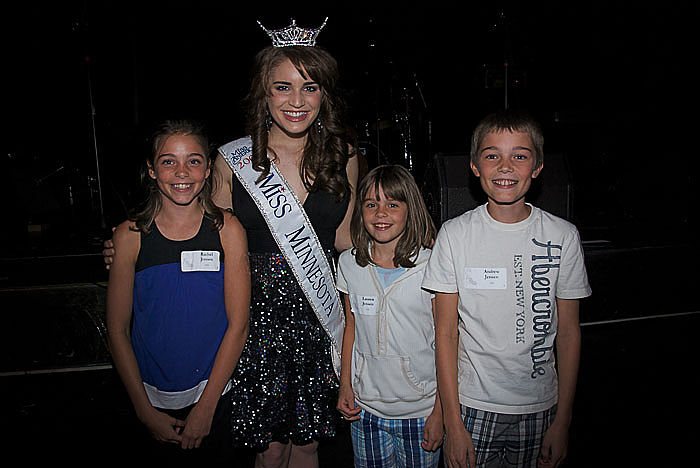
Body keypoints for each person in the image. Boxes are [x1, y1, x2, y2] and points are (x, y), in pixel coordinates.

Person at [212, 19, 359, 468]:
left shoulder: (344, 156)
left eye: (310, 87)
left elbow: (346, 240)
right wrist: (133, 249)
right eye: (283, 87)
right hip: (255, 319)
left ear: (324, 95)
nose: (297, 101)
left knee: (309, 444)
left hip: (318, 316)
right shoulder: (232, 160)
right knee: (270, 447)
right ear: (264, 93)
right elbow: (208, 242)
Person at [422, 110, 592, 468]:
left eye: (519, 156)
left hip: (541, 406)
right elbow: (446, 333)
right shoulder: (454, 235)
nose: (505, 166)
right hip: (472, 406)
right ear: (474, 166)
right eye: (492, 155)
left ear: (538, 167)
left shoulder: (562, 236)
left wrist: (563, 420)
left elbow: (569, 333)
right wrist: (453, 422)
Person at [105, 120, 251, 463]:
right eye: (168, 161)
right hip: (149, 399)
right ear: (151, 170)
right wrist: (144, 411)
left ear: (208, 169)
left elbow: (239, 325)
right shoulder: (130, 236)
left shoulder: (227, 230)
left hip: (216, 397)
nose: (181, 172)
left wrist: (207, 408)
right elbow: (117, 330)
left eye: (193, 161)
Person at [335, 165, 443, 468]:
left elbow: (447, 341)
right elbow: (351, 328)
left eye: (393, 204)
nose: (381, 213)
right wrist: (345, 384)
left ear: (411, 209)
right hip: (365, 409)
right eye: (371, 204)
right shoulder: (349, 264)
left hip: (420, 411)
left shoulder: (432, 265)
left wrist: (441, 411)